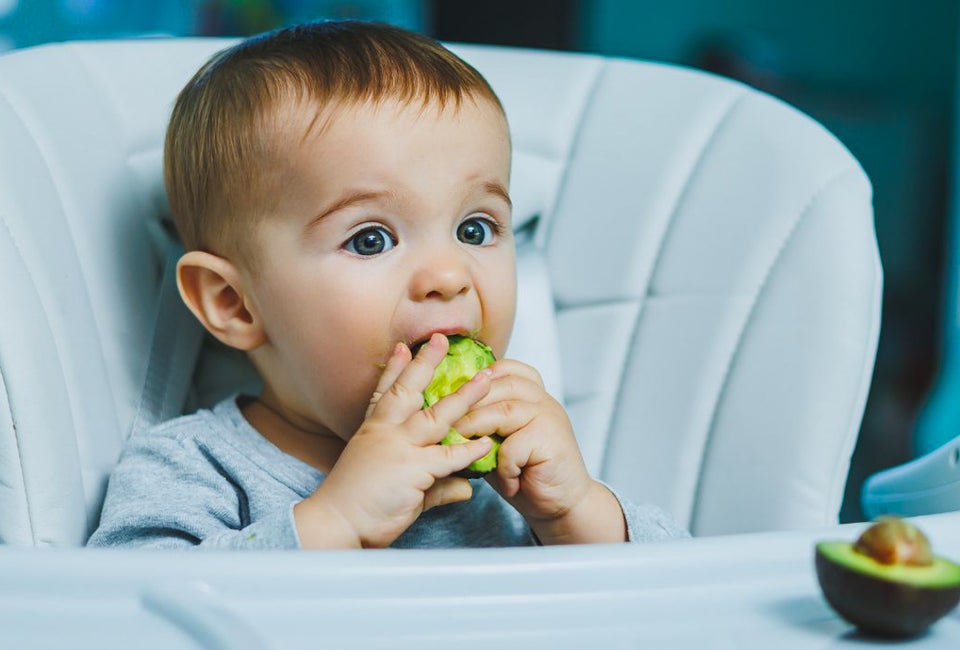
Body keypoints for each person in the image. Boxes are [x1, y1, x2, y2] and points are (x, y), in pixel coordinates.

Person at [87, 20, 687, 550]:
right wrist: (336, 521)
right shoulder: (195, 468)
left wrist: (577, 513)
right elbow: (122, 613)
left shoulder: (516, 480)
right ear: (234, 303)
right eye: (371, 239)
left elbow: (688, 599)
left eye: (475, 229)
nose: (449, 275)